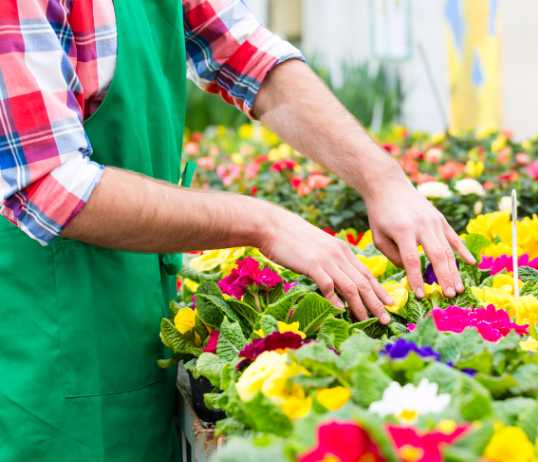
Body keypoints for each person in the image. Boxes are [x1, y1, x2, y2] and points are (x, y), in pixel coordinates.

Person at [0, 1, 474, 460]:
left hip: (130, 308)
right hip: (42, 339)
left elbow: (244, 51)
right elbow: (50, 185)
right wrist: (263, 223)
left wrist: (383, 180)